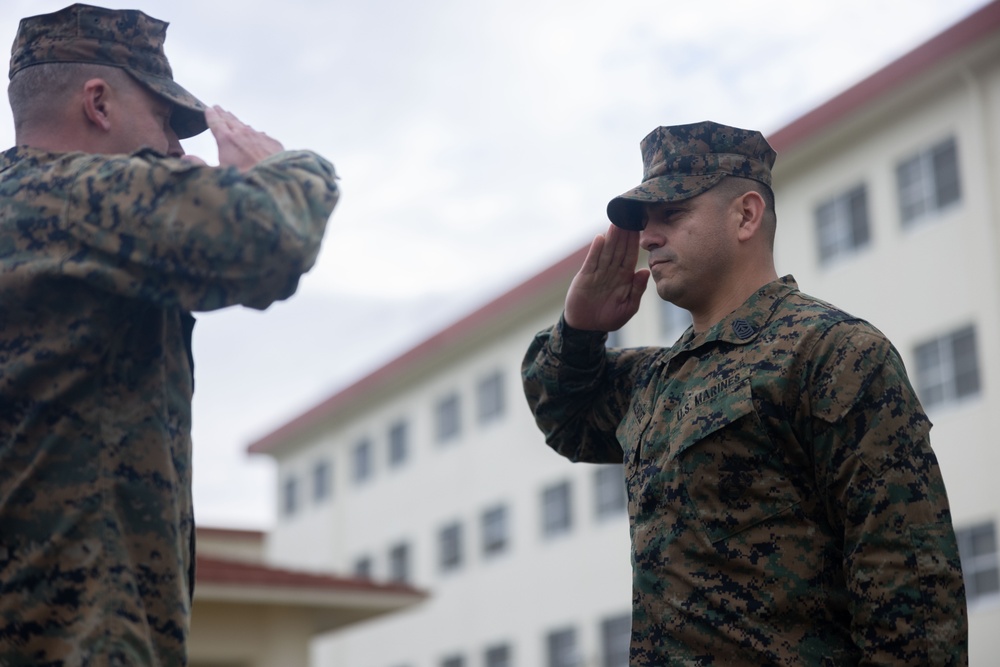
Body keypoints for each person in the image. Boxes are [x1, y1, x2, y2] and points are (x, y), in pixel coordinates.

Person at [522, 121, 968, 665]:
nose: (646, 238)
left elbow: (911, 590)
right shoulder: (657, 380)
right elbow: (565, 417)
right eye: (643, 223)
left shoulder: (831, 353)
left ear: (746, 215)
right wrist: (581, 327)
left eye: (672, 214)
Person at [0, 4, 339, 665]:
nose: (178, 151)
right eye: (163, 121)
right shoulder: (74, 196)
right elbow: (268, 240)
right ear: (98, 103)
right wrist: (288, 167)